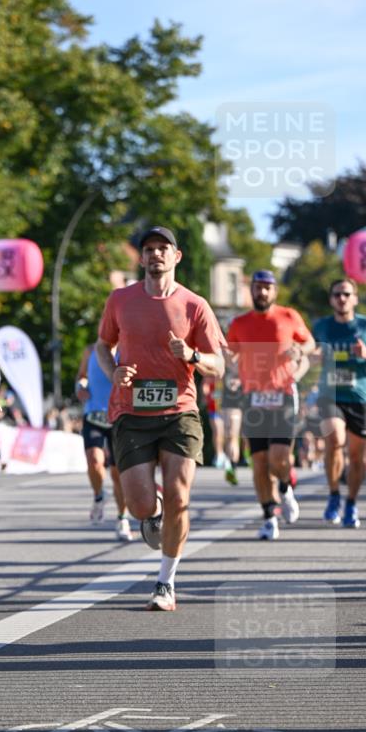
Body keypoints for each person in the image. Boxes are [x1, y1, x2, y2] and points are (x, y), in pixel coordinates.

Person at [96, 226, 225, 611]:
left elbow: (218, 366)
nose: (156, 255)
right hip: (131, 413)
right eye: (149, 249)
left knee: (179, 496)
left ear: (176, 256)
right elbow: (104, 345)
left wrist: (192, 355)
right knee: (139, 505)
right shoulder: (120, 300)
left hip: (179, 413)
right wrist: (113, 372)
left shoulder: (195, 305)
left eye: (163, 249)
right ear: (141, 258)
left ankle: (165, 582)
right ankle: (151, 514)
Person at [226, 270, 314, 540]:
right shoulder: (239, 323)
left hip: (283, 393)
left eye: (267, 288)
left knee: (279, 458)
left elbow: (309, 342)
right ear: (250, 290)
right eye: (257, 287)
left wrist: (301, 351)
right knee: (260, 463)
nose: (262, 292)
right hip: (253, 398)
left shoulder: (289, 316)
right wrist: (231, 376)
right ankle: (268, 517)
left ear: (274, 292)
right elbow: (229, 355)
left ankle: (286, 488)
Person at [312, 277, 366, 528]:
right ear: (330, 299)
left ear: (355, 298)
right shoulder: (321, 326)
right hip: (330, 394)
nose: (342, 298)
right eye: (337, 294)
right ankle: (334, 494)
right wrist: (313, 356)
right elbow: (309, 355)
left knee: (357, 457)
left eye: (347, 294)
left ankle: (351, 502)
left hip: (359, 396)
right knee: (335, 439)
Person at [75, 342, 133, 541]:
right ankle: (99, 495)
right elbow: (81, 376)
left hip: (119, 418)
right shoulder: (90, 350)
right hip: (94, 415)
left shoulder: (128, 350)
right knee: (94, 461)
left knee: (118, 474)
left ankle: (122, 518)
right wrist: (79, 387)